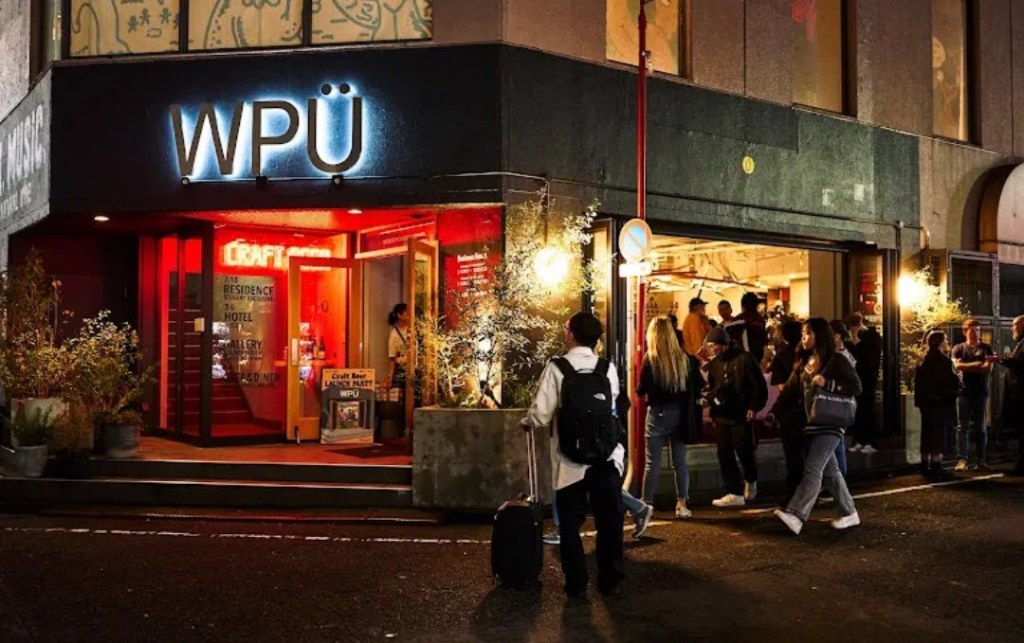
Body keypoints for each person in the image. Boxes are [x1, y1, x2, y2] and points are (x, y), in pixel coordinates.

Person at [522, 312, 624, 598]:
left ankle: (577, 583)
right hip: (606, 456)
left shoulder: (557, 367)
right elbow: (613, 407)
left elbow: (541, 414)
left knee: (569, 523)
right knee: (609, 521)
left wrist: (527, 422)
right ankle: (611, 580)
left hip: (570, 461)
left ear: (570, 335)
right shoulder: (607, 368)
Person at [773, 318, 862, 535]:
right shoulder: (805, 363)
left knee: (813, 467)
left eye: (808, 333)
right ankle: (849, 513)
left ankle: (796, 514)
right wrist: (774, 413)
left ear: (820, 335)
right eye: (803, 333)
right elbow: (790, 391)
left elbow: (856, 387)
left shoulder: (837, 359)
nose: (804, 338)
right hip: (813, 423)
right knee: (831, 471)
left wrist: (828, 384)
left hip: (831, 422)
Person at [636, 316, 702, 522]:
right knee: (680, 462)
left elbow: (642, 389)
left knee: (652, 462)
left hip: (658, 414)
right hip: (680, 414)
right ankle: (682, 503)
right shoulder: (684, 359)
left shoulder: (651, 359)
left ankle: (647, 504)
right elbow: (698, 384)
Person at [704, 326, 767, 507]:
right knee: (724, 452)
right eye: (711, 345)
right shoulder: (715, 364)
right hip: (722, 414)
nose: (713, 349)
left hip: (741, 413)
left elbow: (759, 385)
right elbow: (713, 387)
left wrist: (753, 406)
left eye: (715, 345)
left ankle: (750, 479)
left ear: (724, 343)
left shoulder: (745, 359)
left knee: (743, 449)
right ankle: (734, 491)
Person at [951, 319, 998, 471]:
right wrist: (978, 364)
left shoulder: (986, 348)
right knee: (962, 427)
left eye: (977, 330)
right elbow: (957, 366)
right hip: (963, 392)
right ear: (965, 331)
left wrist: (967, 366)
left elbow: (987, 369)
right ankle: (962, 459)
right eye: (972, 330)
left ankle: (981, 459)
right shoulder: (958, 348)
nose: (976, 333)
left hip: (980, 392)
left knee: (981, 427)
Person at [914, 330, 962, 476]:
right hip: (940, 402)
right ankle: (936, 464)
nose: (947, 342)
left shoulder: (923, 360)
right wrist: (959, 380)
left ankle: (924, 463)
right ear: (939, 342)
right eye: (945, 339)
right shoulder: (944, 361)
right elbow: (949, 383)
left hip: (926, 403)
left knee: (927, 433)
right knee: (939, 434)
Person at [768, 320, 805, 504]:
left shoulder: (781, 357)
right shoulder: (809, 354)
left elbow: (782, 388)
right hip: (810, 409)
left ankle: (795, 494)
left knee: (793, 454)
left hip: (790, 412)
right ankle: (811, 491)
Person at [845, 313, 882, 454]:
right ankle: (859, 440)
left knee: (867, 410)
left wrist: (855, 339)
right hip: (856, 380)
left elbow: (867, 358)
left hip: (867, 380)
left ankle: (869, 441)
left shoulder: (872, 337)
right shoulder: (853, 339)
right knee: (857, 411)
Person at [998, 315, 1024, 475]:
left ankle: (1020, 467)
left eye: (1014, 325)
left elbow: (1020, 363)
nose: (1011, 328)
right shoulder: (1020, 343)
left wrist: (1002, 359)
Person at [735, 292, 769, 363]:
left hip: (741, 357)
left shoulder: (738, 319)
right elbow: (764, 340)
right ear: (756, 305)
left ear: (743, 306)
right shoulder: (760, 319)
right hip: (757, 356)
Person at [386, 303, 410, 390]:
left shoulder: (413, 328)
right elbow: (392, 358)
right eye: (407, 312)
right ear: (399, 315)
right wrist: (390, 377)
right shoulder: (394, 334)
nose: (409, 314)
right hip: (403, 368)